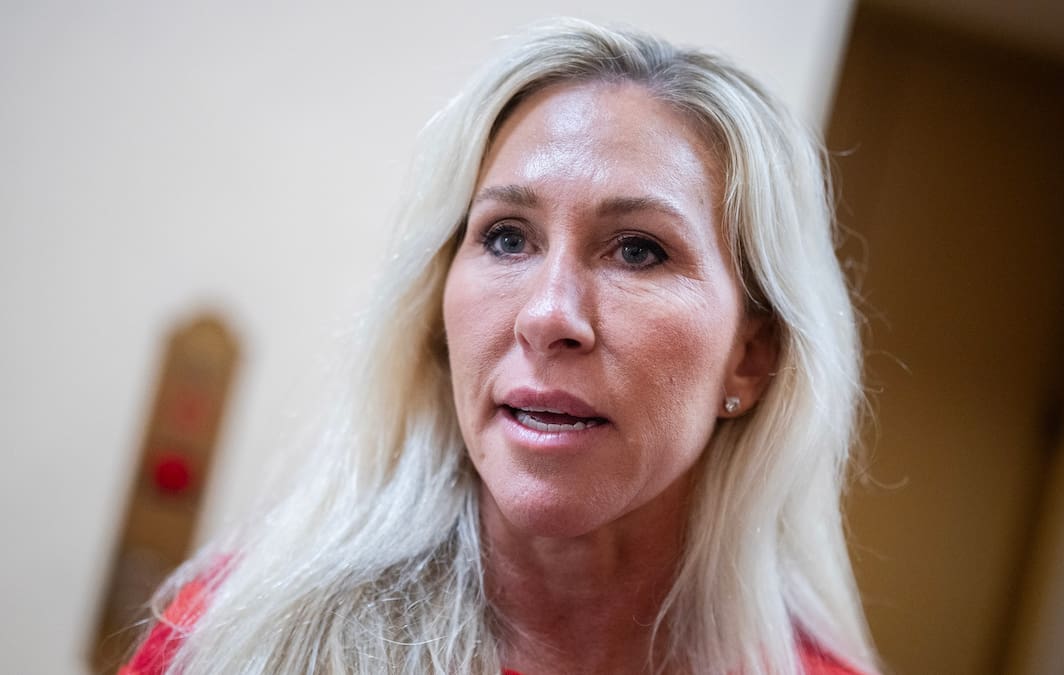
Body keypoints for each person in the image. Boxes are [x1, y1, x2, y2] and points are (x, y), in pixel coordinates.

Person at [122, 18, 879, 675]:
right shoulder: (234, 639)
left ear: (751, 356)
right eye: (507, 238)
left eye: (638, 250)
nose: (548, 315)